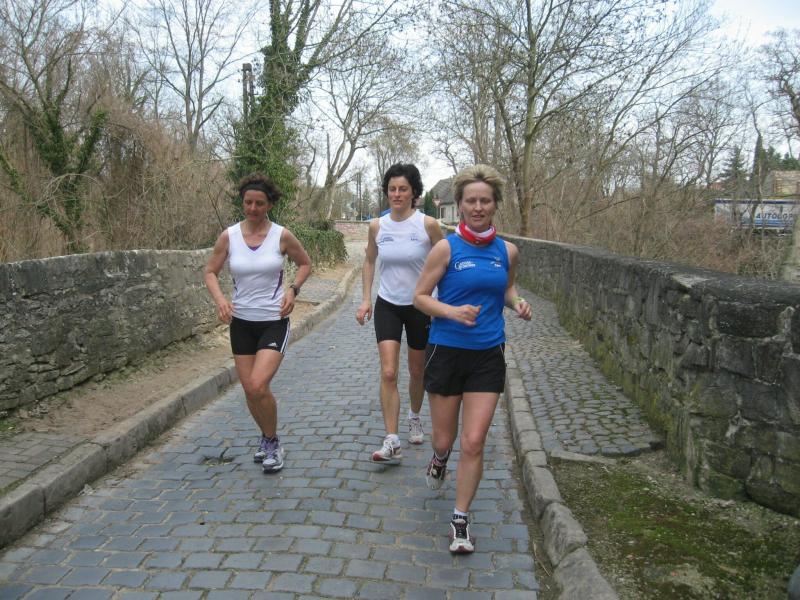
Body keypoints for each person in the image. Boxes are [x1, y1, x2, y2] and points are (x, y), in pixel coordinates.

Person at [413, 164, 532, 554]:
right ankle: (439, 458)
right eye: (471, 201)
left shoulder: (507, 251)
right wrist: (451, 311)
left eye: (485, 201)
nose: (478, 207)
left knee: (474, 441)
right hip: (446, 351)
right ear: (460, 205)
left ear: (495, 204)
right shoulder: (446, 249)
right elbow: (420, 297)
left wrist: (518, 303)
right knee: (444, 438)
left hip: (487, 353)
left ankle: (460, 519)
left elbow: (507, 289)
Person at [204, 173, 311, 474]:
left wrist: (293, 290)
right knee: (250, 390)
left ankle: (273, 443)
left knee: (258, 384)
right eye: (248, 202)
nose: (252, 208)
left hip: (273, 321)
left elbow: (305, 263)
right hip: (241, 323)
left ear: (269, 205)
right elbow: (210, 271)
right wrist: (221, 300)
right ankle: (266, 437)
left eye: (259, 203)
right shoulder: (229, 236)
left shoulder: (282, 236)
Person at [356, 163, 444, 463]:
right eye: (392, 189)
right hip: (388, 305)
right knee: (389, 371)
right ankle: (391, 439)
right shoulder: (377, 226)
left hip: (420, 306)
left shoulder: (428, 225)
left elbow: (445, 261)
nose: (396, 194)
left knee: (418, 371)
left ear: (413, 193)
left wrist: (440, 303)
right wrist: (365, 299)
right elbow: (369, 261)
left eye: (402, 189)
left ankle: (414, 415)